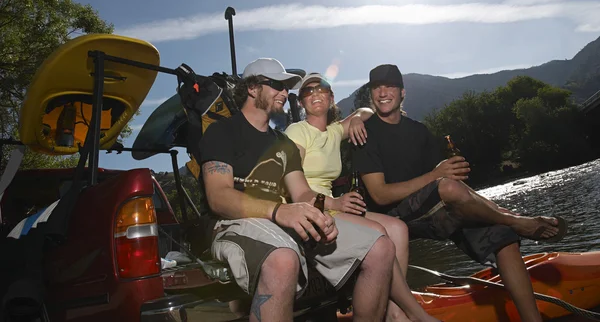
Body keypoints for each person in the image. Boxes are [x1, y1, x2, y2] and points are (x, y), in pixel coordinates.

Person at [195, 58, 415, 322]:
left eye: (287, 87)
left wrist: (324, 210)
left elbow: (302, 195)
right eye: (277, 85)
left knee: (380, 247)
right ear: (252, 89)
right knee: (283, 259)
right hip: (236, 222)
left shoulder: (283, 143)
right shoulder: (223, 132)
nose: (285, 93)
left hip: (284, 220)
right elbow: (219, 197)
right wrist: (280, 211)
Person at [353, 63, 568, 322]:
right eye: (377, 87)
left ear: (402, 92)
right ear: (371, 94)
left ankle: (532, 316)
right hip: (393, 216)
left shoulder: (418, 131)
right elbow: (380, 195)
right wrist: (438, 176)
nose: (383, 92)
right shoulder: (366, 133)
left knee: (503, 236)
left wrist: (450, 175)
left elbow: (442, 179)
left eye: (390, 86)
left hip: (432, 209)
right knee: (448, 186)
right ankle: (517, 219)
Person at [285, 73, 437, 322]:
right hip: (311, 207)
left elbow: (368, 110)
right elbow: (294, 188)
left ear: (331, 96)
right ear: (301, 102)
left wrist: (355, 117)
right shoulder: (297, 131)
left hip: (333, 205)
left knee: (398, 228)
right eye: (307, 91)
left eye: (320, 88)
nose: (314, 93)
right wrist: (334, 202)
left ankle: (392, 307)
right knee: (379, 234)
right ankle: (413, 313)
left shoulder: (334, 131)